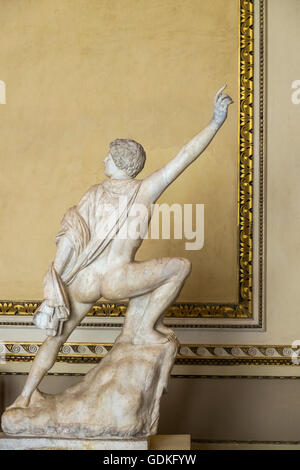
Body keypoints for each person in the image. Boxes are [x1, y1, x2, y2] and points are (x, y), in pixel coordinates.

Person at [10, 85, 233, 408]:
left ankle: (25, 396)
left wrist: (56, 276)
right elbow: (183, 156)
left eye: (108, 156)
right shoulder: (146, 190)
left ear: (119, 162)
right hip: (117, 278)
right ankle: (141, 330)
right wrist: (215, 121)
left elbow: (71, 236)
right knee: (180, 267)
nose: (104, 159)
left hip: (85, 281)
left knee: (56, 338)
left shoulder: (92, 194)